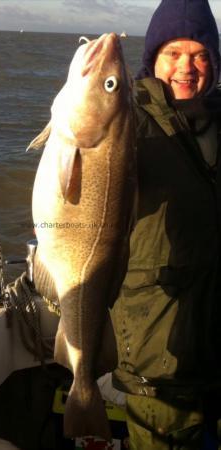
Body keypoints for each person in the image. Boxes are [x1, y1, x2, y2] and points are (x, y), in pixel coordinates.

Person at [110, 0, 221, 448]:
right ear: (153, 59)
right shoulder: (126, 123)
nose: (187, 67)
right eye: (174, 52)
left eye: (200, 55)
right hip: (160, 355)